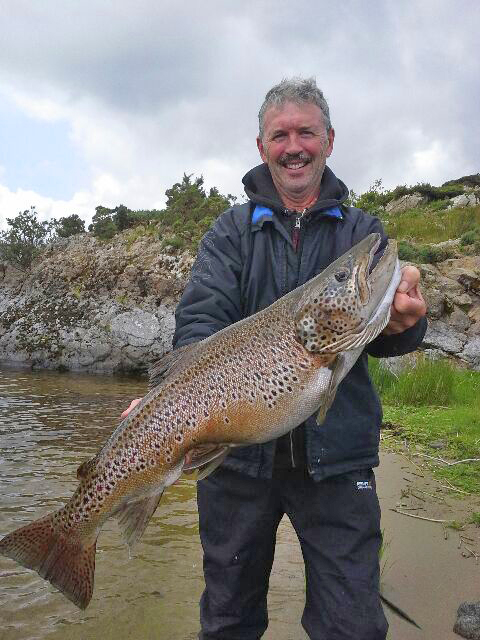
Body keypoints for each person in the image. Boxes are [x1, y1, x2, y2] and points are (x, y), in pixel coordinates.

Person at [124, 77, 427, 639]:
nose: (294, 146)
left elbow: (377, 329)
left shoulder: (362, 232)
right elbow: (199, 322)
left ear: (329, 141)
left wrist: (408, 323)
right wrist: (164, 405)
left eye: (306, 133)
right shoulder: (230, 234)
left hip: (337, 463)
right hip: (237, 467)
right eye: (280, 135)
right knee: (228, 622)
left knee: (353, 626)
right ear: (262, 147)